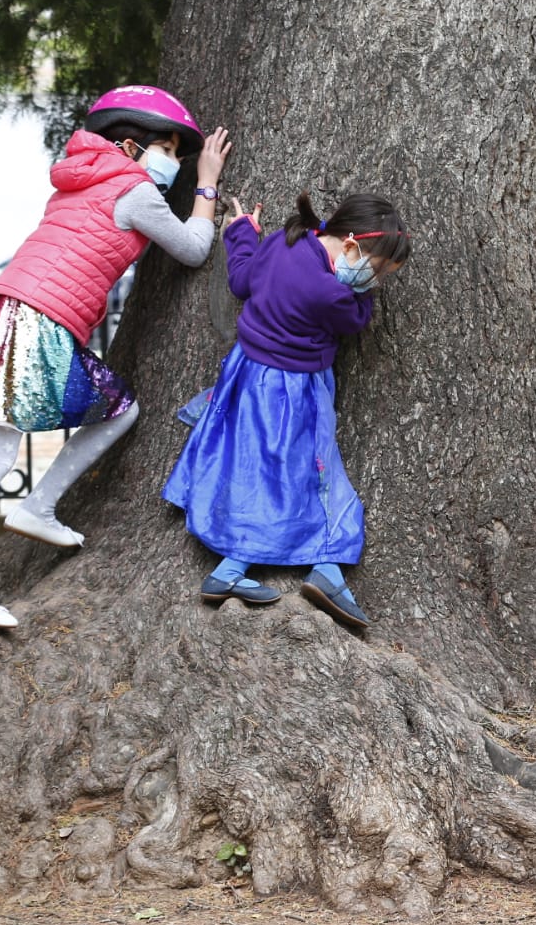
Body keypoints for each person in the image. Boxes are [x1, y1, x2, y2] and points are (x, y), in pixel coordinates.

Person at [0, 85, 233, 628]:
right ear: (128, 146)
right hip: (35, 316)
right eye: (166, 150)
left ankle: (36, 507)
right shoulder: (135, 192)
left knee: (116, 408)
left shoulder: (82, 181)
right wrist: (207, 186)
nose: (173, 163)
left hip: (17, 310)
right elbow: (193, 249)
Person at [163, 190, 411, 629]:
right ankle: (329, 567)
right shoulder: (332, 294)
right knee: (314, 478)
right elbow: (356, 321)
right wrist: (364, 296)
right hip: (293, 395)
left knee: (250, 472)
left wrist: (242, 233)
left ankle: (229, 570)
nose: (374, 284)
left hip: (244, 378)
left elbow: (240, 279)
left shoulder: (283, 241)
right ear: (351, 246)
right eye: (375, 273)